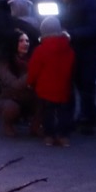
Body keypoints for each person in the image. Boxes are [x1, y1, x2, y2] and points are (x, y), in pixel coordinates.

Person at [47, 0, 96, 132]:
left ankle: (88, 116)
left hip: (86, 49)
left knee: (86, 84)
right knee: (66, 84)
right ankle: (68, 118)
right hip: (64, 49)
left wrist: (70, 34)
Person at [27, 15, 75, 147]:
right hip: (63, 87)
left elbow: (34, 69)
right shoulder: (69, 49)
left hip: (45, 88)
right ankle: (63, 136)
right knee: (63, 113)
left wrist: (30, 82)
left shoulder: (40, 50)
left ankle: (49, 136)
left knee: (48, 113)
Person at [0, 31, 38, 137]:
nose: (25, 43)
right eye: (21, 41)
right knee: (11, 108)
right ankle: (8, 124)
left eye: (27, 41)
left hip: (30, 96)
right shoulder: (5, 60)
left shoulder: (33, 58)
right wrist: (31, 74)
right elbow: (13, 83)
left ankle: (36, 126)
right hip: (11, 97)